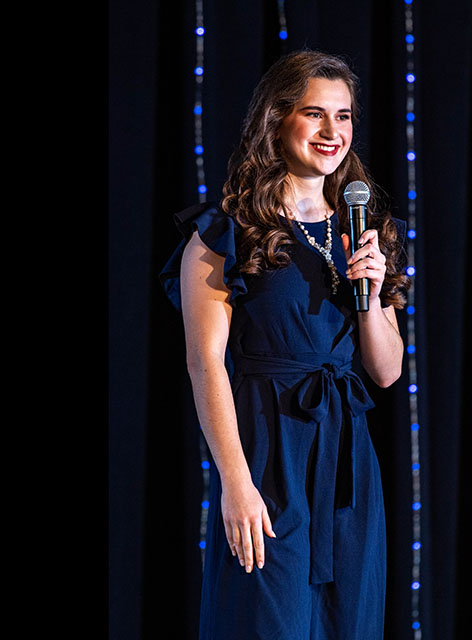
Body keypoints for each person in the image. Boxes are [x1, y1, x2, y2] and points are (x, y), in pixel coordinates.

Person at [159, 49, 410, 639]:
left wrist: (370, 292)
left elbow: (386, 370)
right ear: (276, 119)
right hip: (268, 456)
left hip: (347, 466)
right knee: (268, 621)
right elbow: (205, 366)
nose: (333, 132)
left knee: (349, 622)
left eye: (344, 116)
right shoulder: (226, 232)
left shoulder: (367, 228)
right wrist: (236, 484)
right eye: (314, 114)